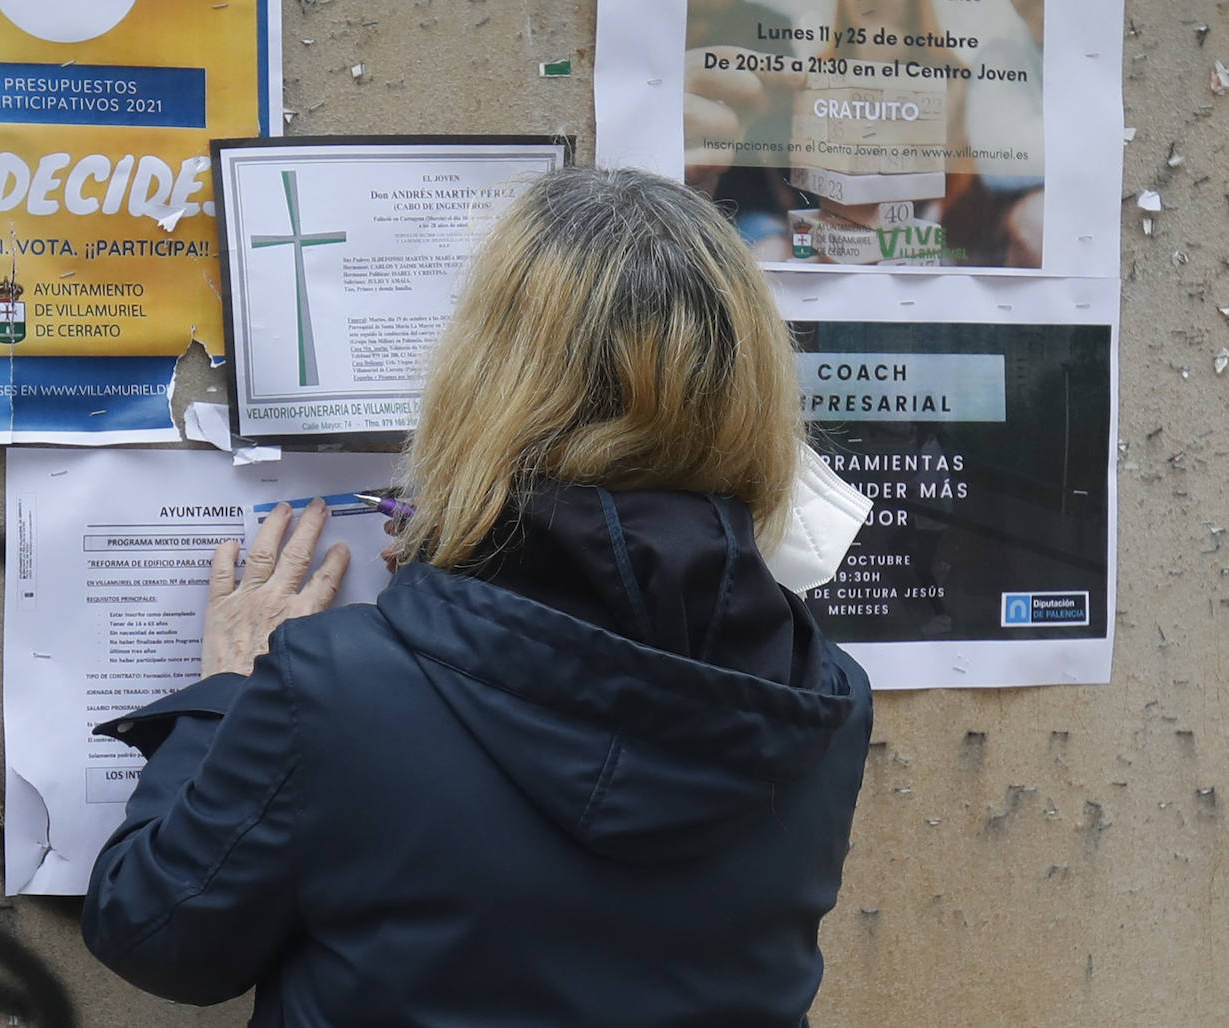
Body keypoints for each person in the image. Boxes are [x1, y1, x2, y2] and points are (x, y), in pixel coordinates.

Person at [82, 166, 872, 1026]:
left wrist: (227, 696)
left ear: (486, 380)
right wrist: (474, 572)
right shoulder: (823, 698)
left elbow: (155, 931)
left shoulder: (339, 690)